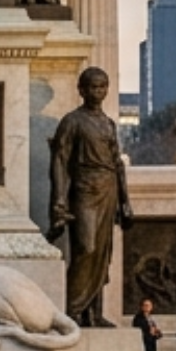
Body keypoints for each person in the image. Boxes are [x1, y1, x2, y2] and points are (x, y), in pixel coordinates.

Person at [45, 68, 133, 327]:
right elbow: (59, 161)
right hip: (84, 189)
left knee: (103, 255)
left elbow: (117, 164)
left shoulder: (108, 123)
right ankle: (72, 309)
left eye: (103, 87)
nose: (98, 92)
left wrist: (125, 201)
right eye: (93, 87)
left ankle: (93, 313)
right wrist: (59, 202)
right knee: (86, 248)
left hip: (108, 191)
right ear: (81, 90)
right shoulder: (72, 121)